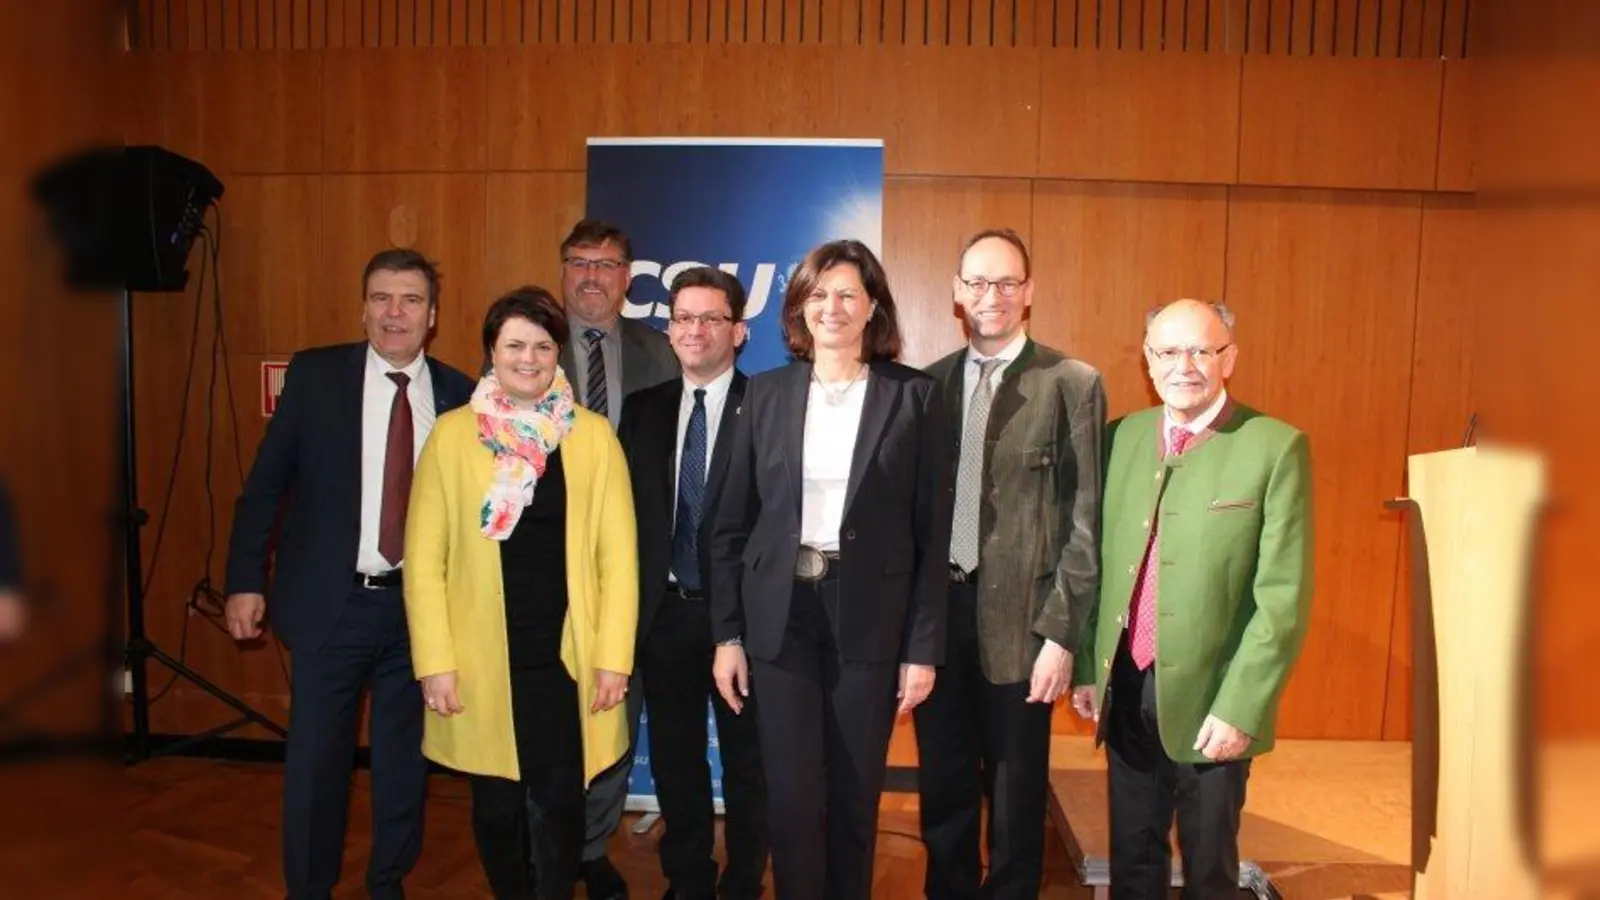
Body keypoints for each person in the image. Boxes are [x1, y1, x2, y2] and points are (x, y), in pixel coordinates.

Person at [222, 248, 476, 900]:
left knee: (402, 768)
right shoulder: (315, 376)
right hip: (329, 605)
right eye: (383, 298)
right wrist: (245, 578)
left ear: (433, 315)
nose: (396, 313)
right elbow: (265, 488)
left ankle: (386, 882)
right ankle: (309, 888)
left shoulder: (460, 396)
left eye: (411, 300)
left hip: (419, 617)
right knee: (315, 765)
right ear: (363, 308)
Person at [709, 238, 952, 900]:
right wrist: (728, 635)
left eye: (848, 293)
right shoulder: (763, 394)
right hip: (780, 616)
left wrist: (922, 650)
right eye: (818, 294)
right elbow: (729, 525)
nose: (833, 307)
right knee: (790, 797)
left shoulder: (916, 398)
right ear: (799, 308)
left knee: (853, 794)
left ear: (873, 305)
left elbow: (933, 536)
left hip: (869, 616)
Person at [1070, 299, 1314, 900]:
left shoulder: (1274, 447)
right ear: (1148, 360)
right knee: (1133, 858)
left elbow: (1282, 598)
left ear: (1229, 357)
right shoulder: (1121, 437)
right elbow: (1095, 565)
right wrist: (1086, 668)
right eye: (1169, 351)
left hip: (1215, 702)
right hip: (1127, 685)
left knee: (1209, 868)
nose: (1186, 365)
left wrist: (1243, 708)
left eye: (1203, 350)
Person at [403, 286, 638, 900]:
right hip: (483, 656)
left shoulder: (590, 438)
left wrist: (614, 657)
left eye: (540, 345)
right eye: (514, 345)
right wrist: (436, 663)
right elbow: (425, 562)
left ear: (557, 352)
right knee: (496, 804)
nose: (528, 358)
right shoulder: (452, 437)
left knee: (562, 799)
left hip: (566, 656)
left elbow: (620, 560)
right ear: (491, 352)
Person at [917, 229, 1107, 900]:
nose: (989, 296)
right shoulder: (927, 385)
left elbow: (1088, 523)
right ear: (956, 292)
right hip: (938, 623)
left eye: (1005, 283)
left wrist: (1062, 636)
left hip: (1025, 626)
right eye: (976, 282)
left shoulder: (1071, 384)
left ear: (1028, 292)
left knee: (1016, 798)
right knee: (942, 791)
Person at [615, 267, 767, 900]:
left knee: (748, 762)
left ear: (739, 330)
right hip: (665, 614)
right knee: (676, 758)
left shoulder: (769, 407)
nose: (695, 330)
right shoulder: (642, 411)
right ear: (669, 329)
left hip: (747, 620)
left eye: (710, 318)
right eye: (683, 318)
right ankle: (689, 879)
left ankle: (743, 881)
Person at [556, 217, 678, 899]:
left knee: (616, 709)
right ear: (563, 271)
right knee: (552, 713)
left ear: (627, 278)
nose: (593, 277)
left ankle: (589, 845)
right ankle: (548, 839)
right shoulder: (527, 347)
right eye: (580, 263)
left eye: (606, 265)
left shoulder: (660, 352)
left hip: (630, 565)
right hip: (548, 568)